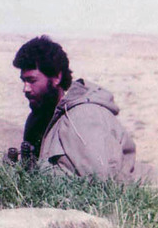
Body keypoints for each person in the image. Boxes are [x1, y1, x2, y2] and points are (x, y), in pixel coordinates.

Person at [12, 36, 136, 180]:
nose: (26, 89)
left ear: (57, 77)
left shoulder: (83, 116)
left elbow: (103, 181)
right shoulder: (37, 119)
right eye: (23, 81)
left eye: (32, 81)